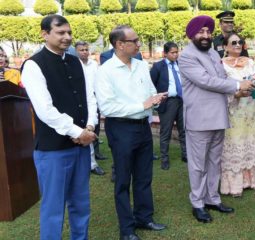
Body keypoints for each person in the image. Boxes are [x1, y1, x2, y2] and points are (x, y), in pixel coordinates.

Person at [21, 15, 97, 239]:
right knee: (53, 208)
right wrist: (78, 132)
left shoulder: (75, 61)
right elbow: (45, 110)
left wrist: (90, 126)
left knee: (81, 204)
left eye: (69, 33)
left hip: (81, 146)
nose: (67, 37)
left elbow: (89, 97)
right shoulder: (34, 65)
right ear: (44, 34)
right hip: (53, 150)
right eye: (61, 32)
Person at [178, 15, 255, 223]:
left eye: (208, 31)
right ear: (192, 34)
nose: (205, 35)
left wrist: (243, 87)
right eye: (200, 32)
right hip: (199, 119)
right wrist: (238, 86)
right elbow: (206, 81)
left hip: (219, 116)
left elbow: (222, 78)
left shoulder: (213, 53)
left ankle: (212, 198)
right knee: (198, 164)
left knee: (214, 161)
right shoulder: (186, 56)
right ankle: (197, 203)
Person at [95, 25, 167, 240]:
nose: (139, 44)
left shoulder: (141, 65)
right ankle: (126, 229)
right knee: (123, 180)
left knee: (144, 176)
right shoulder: (105, 71)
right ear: (119, 44)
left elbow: (150, 92)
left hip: (142, 127)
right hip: (121, 128)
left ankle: (144, 217)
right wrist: (142, 104)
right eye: (134, 41)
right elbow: (107, 107)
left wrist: (155, 98)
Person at [220, 33, 255, 197]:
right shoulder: (221, 65)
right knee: (235, 142)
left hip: (250, 110)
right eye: (234, 42)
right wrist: (236, 94)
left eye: (240, 42)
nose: (238, 45)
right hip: (233, 110)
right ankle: (234, 185)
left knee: (249, 140)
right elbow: (220, 88)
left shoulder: (251, 62)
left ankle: (252, 181)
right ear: (225, 46)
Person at [150, 41, 187, 170]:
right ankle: (164, 159)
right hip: (168, 102)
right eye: (172, 53)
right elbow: (151, 84)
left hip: (181, 101)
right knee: (166, 132)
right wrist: (157, 99)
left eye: (177, 52)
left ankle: (185, 155)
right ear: (165, 53)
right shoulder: (158, 66)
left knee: (183, 130)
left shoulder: (180, 65)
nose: (175, 55)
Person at [75, 41, 106, 175]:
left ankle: (93, 161)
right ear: (76, 51)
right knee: (81, 131)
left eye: (86, 49)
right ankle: (88, 163)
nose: (84, 52)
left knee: (94, 129)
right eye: (81, 50)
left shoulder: (94, 65)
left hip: (94, 102)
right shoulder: (73, 65)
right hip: (78, 103)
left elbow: (100, 82)